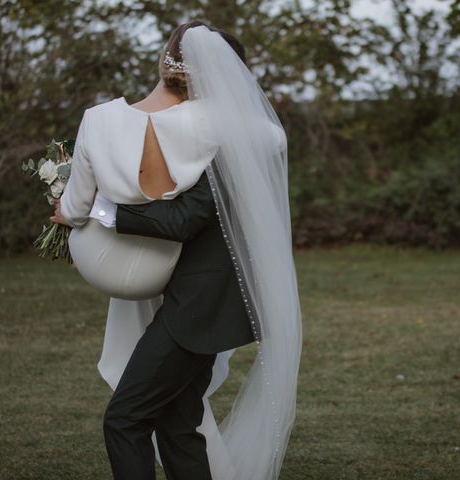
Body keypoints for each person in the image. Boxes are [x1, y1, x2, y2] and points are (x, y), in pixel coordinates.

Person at [53, 21, 301, 480]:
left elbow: (185, 220)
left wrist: (102, 211)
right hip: (199, 297)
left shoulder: (232, 144)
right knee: (177, 422)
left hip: (203, 304)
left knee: (125, 418)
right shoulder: (215, 136)